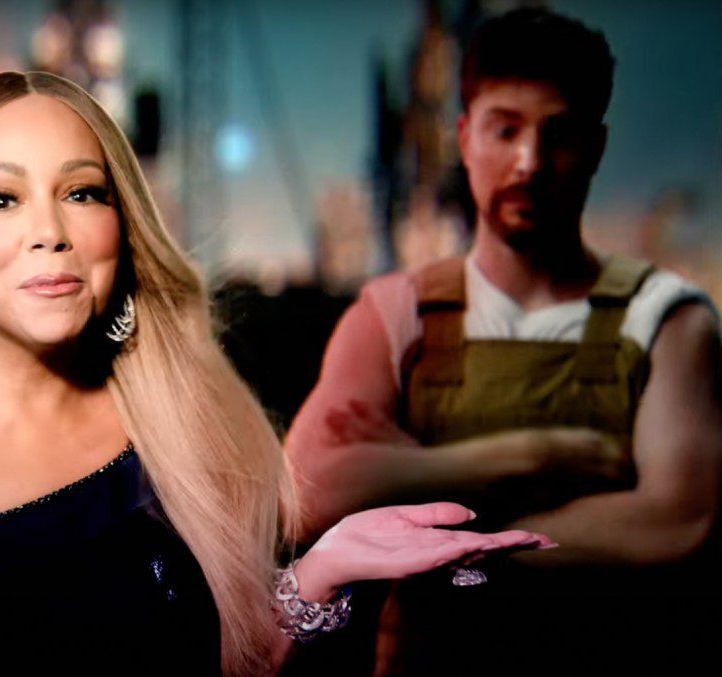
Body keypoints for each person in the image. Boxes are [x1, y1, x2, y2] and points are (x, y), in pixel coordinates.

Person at [0, 71, 550, 676]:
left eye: (83, 192)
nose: (50, 230)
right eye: (0, 198)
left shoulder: (192, 433)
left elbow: (237, 663)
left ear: (122, 231)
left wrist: (319, 575)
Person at [285, 7, 722, 675]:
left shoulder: (665, 319)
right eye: (505, 129)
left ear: (597, 147)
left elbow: (676, 520)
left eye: (559, 134)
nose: (530, 162)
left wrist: (426, 515)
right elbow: (308, 492)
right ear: (464, 138)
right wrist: (537, 454)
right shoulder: (396, 312)